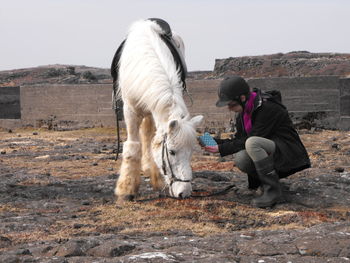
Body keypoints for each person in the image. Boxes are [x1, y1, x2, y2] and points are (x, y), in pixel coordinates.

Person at [204, 76, 311, 208]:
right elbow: (239, 140)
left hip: (288, 153)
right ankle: (264, 183)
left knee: (252, 143)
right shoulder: (243, 114)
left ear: (242, 98)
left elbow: (251, 139)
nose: (229, 108)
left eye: (231, 104)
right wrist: (215, 142)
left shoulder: (267, 108)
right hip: (272, 152)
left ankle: (273, 191)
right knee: (241, 158)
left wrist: (221, 149)